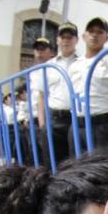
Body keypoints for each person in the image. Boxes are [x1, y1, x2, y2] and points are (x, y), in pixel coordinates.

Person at [68, 17, 108, 150]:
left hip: (101, 125)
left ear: (107, 38)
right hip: (77, 125)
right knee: (76, 167)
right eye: (91, 31)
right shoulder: (75, 65)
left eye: (100, 32)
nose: (95, 35)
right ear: (84, 36)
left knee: (101, 167)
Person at [35, 22, 80, 165]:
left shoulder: (83, 63)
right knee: (52, 162)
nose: (66, 40)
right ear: (57, 40)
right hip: (54, 120)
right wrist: (43, 125)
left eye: (70, 37)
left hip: (76, 119)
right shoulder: (48, 66)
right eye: (63, 37)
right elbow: (41, 96)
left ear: (76, 40)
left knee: (75, 161)